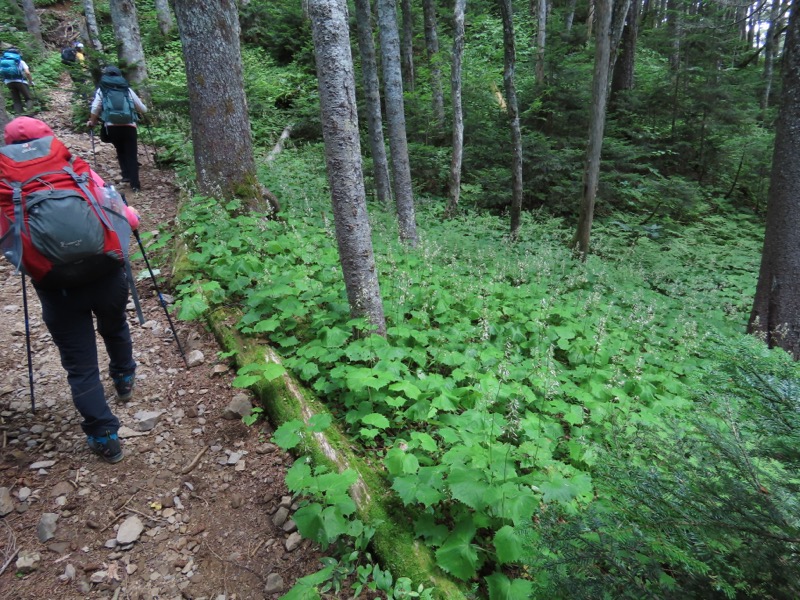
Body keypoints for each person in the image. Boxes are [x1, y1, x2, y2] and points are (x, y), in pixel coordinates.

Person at [1, 116, 140, 464]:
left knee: (80, 365)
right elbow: (123, 214)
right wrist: (131, 219)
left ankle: (104, 436)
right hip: (106, 270)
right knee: (115, 324)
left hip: (56, 284)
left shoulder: (5, 184)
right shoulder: (74, 166)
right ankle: (124, 377)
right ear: (49, 137)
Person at [86, 66, 147, 192]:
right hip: (129, 126)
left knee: (120, 149)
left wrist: (92, 121)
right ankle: (135, 185)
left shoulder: (102, 90)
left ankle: (125, 175)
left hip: (112, 126)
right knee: (131, 154)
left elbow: (95, 107)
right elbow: (142, 108)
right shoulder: (127, 90)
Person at [1, 47, 34, 115]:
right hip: (21, 81)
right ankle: (29, 115)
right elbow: (27, 73)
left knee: (16, 100)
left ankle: (19, 117)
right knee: (28, 98)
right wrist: (30, 81)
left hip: (9, 82)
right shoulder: (20, 61)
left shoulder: (3, 61)